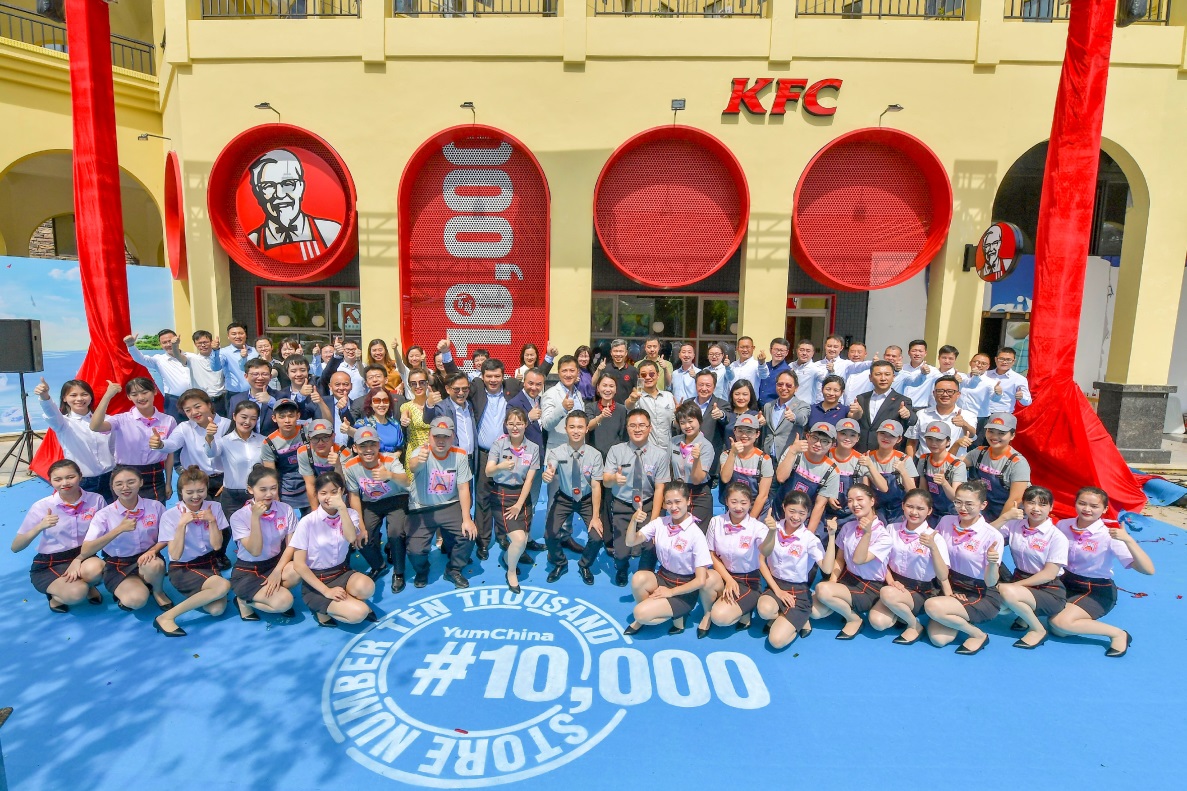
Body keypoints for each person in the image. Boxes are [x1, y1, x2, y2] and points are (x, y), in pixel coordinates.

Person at [1049, 487, 1155, 657]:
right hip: (1065, 582)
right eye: (1082, 503)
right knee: (1058, 631)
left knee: (1059, 622)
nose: (1087, 509)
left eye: (1094, 506)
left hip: (1095, 590)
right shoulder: (1063, 525)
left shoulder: (1110, 535)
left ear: (1105, 509)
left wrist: (1128, 540)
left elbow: (1148, 570)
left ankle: (1118, 634)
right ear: (1075, 503)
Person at [11, 459, 106, 613]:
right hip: (51, 562)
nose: (65, 483)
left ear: (80, 476)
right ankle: (55, 597)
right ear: (50, 480)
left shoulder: (96, 500)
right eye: (58, 479)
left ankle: (88, 585)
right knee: (76, 593)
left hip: (84, 556)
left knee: (97, 568)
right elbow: (16, 547)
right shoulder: (42, 506)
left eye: (70, 477)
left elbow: (106, 532)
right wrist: (40, 526)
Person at [924, 481, 1005, 655]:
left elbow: (991, 582)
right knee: (939, 639)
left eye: (969, 504)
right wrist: (948, 592)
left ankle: (978, 635)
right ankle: (958, 612)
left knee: (932, 606)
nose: (962, 508)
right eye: (958, 502)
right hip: (949, 584)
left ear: (983, 505)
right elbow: (939, 559)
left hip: (979, 592)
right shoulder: (946, 521)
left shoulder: (992, 535)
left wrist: (992, 563)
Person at [79, 466, 173, 612]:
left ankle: (158, 591)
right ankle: (132, 587)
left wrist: (153, 550)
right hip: (118, 563)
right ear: (112, 487)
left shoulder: (155, 506)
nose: (125, 487)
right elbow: (86, 550)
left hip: (148, 558)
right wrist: (118, 529)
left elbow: (168, 535)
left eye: (131, 482)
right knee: (136, 601)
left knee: (155, 565)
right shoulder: (104, 515)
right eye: (119, 484)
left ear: (141, 482)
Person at [622, 482, 711, 637]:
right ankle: (656, 611)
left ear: (688, 501)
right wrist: (634, 521)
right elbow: (630, 542)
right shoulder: (660, 523)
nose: (673, 507)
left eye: (678, 502)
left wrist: (670, 592)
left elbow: (700, 581)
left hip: (685, 588)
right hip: (663, 578)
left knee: (640, 613)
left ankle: (672, 613)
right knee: (638, 578)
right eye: (669, 502)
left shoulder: (696, 535)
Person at [291, 471, 376, 627]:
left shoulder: (350, 514)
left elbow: (351, 538)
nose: (329, 497)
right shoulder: (307, 522)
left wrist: (342, 508)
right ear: (316, 494)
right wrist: (326, 591)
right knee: (359, 614)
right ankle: (320, 609)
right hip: (317, 580)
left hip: (341, 572)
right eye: (323, 493)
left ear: (342, 491)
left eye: (334, 492)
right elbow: (299, 565)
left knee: (367, 587)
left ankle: (345, 600)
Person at [867, 488, 951, 646]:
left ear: (929, 511)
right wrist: (891, 581)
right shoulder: (891, 529)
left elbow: (943, 575)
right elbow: (882, 560)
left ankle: (914, 625)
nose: (914, 512)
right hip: (894, 584)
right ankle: (901, 613)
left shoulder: (935, 538)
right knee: (878, 622)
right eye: (910, 506)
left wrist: (933, 548)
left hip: (920, 589)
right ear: (903, 506)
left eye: (920, 508)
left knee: (887, 594)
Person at [154, 466, 231, 637]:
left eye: (200, 491)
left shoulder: (215, 507)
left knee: (217, 609)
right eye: (189, 492)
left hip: (208, 562)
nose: (196, 496)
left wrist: (212, 521)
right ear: (181, 492)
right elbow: (175, 555)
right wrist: (181, 525)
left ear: (206, 489)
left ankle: (204, 594)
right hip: (183, 568)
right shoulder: (170, 515)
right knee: (223, 586)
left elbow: (217, 546)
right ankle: (166, 617)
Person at [599, 409, 671, 586]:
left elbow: (660, 488)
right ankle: (621, 568)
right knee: (621, 551)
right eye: (632, 425)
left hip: (647, 504)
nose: (637, 429)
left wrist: (654, 521)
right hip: (622, 504)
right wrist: (614, 479)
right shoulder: (616, 451)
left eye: (642, 425)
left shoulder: (660, 454)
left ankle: (645, 574)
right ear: (627, 428)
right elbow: (606, 481)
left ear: (649, 428)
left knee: (650, 544)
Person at [406, 415, 478, 589]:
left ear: (453, 437)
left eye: (445, 436)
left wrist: (467, 518)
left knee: (469, 534)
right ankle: (422, 570)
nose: (440, 440)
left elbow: (463, 488)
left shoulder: (460, 455)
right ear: (429, 436)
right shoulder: (421, 452)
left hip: (449, 504)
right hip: (421, 507)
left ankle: (453, 569)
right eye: (436, 436)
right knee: (415, 551)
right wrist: (419, 460)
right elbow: (413, 466)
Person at [992, 485, 1069, 649]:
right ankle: (1024, 613)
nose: (1036, 509)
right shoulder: (1015, 525)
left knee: (1005, 593)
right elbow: (982, 535)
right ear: (1023, 504)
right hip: (1020, 579)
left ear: (1051, 507)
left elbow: (1049, 574)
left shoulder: (1057, 537)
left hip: (1048, 589)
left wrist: (1013, 586)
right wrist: (1005, 517)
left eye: (1042, 504)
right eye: (1031, 503)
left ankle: (1038, 629)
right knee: (996, 602)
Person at [810, 484, 890, 639]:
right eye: (850, 500)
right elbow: (840, 559)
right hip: (847, 579)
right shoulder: (848, 527)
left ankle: (854, 619)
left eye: (860, 499)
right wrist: (832, 582)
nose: (855, 504)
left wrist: (867, 534)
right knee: (814, 611)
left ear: (872, 501)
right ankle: (843, 604)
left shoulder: (883, 536)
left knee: (822, 590)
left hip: (868, 586)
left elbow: (859, 560)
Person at [228, 465, 300, 621]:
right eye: (263, 489)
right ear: (250, 489)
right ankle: (244, 600)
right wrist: (255, 518)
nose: (269, 494)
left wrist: (277, 571)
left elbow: (291, 546)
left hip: (274, 564)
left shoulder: (286, 509)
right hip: (248, 570)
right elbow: (255, 551)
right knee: (285, 603)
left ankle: (270, 594)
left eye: (273, 488)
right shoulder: (239, 517)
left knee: (297, 568)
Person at [756, 490, 825, 648]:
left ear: (808, 514)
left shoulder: (809, 538)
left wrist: (833, 535)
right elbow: (761, 561)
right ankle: (783, 616)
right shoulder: (772, 528)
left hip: (798, 590)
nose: (796, 517)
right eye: (792, 511)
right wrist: (778, 591)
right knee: (764, 611)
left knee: (776, 642)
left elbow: (825, 567)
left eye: (802, 513)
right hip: (775, 586)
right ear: (784, 507)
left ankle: (800, 619)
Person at [699, 482, 769, 637]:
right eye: (734, 502)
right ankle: (707, 613)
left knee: (720, 618)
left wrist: (772, 533)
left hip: (747, 580)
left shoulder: (758, 527)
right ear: (726, 501)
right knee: (706, 577)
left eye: (743, 503)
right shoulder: (716, 522)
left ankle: (744, 609)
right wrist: (729, 580)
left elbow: (766, 550)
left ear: (750, 503)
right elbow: (711, 554)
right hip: (723, 574)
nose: (738, 507)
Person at [90, 378, 177, 502]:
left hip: (154, 475)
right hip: (124, 475)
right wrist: (107, 396)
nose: (140, 397)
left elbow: (170, 454)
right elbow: (95, 426)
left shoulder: (168, 420)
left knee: (156, 512)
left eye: (144, 392)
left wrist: (168, 482)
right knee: (125, 513)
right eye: (134, 394)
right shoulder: (120, 420)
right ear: (129, 397)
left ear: (154, 391)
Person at [543, 411, 604, 585]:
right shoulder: (556, 452)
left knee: (596, 536)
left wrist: (596, 517)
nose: (576, 431)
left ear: (586, 429)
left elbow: (596, 486)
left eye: (579, 427)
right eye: (572, 427)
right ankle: (560, 563)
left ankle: (584, 565)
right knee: (550, 534)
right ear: (565, 429)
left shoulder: (595, 455)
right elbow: (550, 468)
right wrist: (548, 474)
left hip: (586, 500)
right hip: (564, 498)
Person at [344, 426, 410, 586]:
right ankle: (378, 565)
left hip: (396, 499)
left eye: (372, 444)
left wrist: (389, 475)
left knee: (396, 533)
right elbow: (354, 495)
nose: (368, 450)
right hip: (371, 503)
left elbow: (407, 481)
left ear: (378, 445)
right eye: (363, 446)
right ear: (355, 448)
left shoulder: (390, 460)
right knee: (361, 535)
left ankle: (399, 572)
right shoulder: (350, 466)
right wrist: (360, 525)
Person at [246, 148, 342, 258]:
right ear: (257, 193)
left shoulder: (330, 231)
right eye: (268, 186)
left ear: (301, 187)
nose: (280, 194)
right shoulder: (252, 242)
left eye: (288, 183)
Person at [485, 407, 541, 591]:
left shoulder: (533, 448)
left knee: (523, 540)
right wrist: (500, 467)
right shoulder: (498, 444)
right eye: (511, 424)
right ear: (505, 425)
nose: (515, 427)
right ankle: (511, 572)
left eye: (519, 423)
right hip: (501, 495)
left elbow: (529, 480)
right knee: (518, 540)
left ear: (526, 425)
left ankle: (508, 557)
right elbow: (488, 471)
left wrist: (519, 504)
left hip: (522, 497)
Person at [34, 377, 115, 502]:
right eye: (73, 395)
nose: (79, 399)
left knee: (114, 513)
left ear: (91, 397)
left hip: (111, 479)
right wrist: (45, 397)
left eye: (84, 394)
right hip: (83, 482)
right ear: (64, 399)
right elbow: (51, 413)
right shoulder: (63, 423)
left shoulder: (108, 420)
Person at [151, 389, 230, 497]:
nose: (194, 412)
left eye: (197, 407)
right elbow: (173, 444)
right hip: (193, 480)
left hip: (223, 480)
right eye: (188, 410)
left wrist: (229, 481)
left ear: (209, 404)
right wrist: (160, 444)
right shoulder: (184, 427)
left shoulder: (227, 425)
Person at [964, 412, 1031, 523]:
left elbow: (1015, 499)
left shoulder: (1018, 463)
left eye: (1001, 433)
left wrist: (996, 525)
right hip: (987, 512)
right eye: (991, 431)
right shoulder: (979, 453)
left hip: (1011, 518)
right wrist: (956, 445)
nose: (995, 437)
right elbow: (951, 464)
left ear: (1012, 435)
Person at [772, 422, 838, 534]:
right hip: (778, 511)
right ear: (807, 436)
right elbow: (781, 478)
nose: (818, 444)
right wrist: (793, 451)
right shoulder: (794, 451)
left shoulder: (832, 471)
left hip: (803, 520)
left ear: (833, 445)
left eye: (825, 441)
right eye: (814, 438)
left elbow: (819, 506)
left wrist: (807, 535)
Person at [206, 400, 264, 517]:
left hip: (257, 494)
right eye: (244, 417)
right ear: (234, 416)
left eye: (253, 418)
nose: (247, 422)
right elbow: (211, 453)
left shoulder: (263, 440)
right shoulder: (224, 441)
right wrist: (209, 437)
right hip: (232, 497)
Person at [849, 360, 916, 452]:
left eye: (887, 374)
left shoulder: (902, 400)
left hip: (887, 453)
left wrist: (908, 415)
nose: (883, 378)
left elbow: (913, 420)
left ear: (893, 377)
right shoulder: (861, 398)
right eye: (878, 374)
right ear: (870, 377)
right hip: (860, 450)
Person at [905, 376, 977, 459]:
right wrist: (910, 464)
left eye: (950, 391)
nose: (945, 394)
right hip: (923, 463)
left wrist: (964, 424)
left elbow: (972, 435)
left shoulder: (968, 415)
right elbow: (912, 442)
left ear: (958, 394)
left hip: (954, 463)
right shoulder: (921, 414)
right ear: (934, 393)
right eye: (940, 391)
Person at [125, 331, 190, 421]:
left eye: (170, 341)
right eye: (164, 342)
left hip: (196, 397)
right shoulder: (159, 360)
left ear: (177, 340)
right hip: (174, 401)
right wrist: (131, 345)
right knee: (175, 427)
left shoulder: (191, 357)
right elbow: (140, 359)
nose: (168, 344)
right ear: (160, 345)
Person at [718, 414, 773, 519]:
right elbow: (725, 478)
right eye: (740, 431)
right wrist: (733, 453)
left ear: (757, 434)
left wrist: (750, 521)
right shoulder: (726, 455)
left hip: (756, 509)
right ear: (734, 432)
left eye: (749, 431)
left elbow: (763, 495)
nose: (744, 435)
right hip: (734, 506)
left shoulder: (764, 460)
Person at [259, 400, 310, 513]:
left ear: (298, 416)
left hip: (309, 486)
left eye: (291, 416)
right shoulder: (269, 443)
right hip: (285, 492)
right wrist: (275, 496)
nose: (287, 421)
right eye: (282, 417)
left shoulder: (307, 431)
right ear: (274, 418)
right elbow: (271, 474)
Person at [862, 421, 917, 525]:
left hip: (899, 510)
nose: (886, 438)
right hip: (876, 509)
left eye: (892, 435)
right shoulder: (867, 457)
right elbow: (865, 491)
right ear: (877, 434)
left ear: (899, 439)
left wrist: (903, 472)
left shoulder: (904, 459)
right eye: (883, 433)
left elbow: (912, 492)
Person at [670, 401, 715, 527]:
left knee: (697, 533)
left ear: (699, 421)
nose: (687, 426)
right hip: (678, 492)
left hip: (698, 494)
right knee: (678, 532)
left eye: (690, 421)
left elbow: (697, 479)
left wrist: (697, 459)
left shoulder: (706, 446)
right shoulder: (674, 442)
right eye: (682, 422)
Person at [168, 330, 227, 416]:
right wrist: (175, 345)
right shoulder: (192, 359)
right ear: (195, 344)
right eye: (199, 343)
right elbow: (178, 355)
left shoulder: (221, 358)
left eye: (205, 342)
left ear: (211, 342)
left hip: (220, 400)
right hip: (201, 401)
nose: (203, 345)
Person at [916, 421, 966, 524]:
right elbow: (923, 490)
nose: (933, 443)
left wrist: (944, 483)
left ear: (948, 442)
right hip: (931, 512)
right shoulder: (923, 459)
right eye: (929, 439)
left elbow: (956, 498)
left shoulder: (957, 464)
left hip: (952, 513)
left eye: (939, 440)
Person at [825, 417, 868, 523]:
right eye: (843, 433)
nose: (847, 438)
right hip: (824, 509)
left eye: (852, 435)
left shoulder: (861, 460)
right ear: (836, 434)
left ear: (858, 438)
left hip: (851, 514)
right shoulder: (826, 454)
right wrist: (827, 496)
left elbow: (865, 492)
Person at [298, 418, 345, 514]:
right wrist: (316, 513)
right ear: (309, 438)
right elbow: (310, 484)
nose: (320, 442)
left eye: (325, 437)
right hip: (318, 493)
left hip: (341, 494)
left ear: (333, 436)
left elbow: (343, 485)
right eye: (315, 438)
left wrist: (338, 466)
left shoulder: (344, 453)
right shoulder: (303, 452)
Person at [761, 370, 809, 462]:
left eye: (788, 385)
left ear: (796, 388)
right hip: (767, 457)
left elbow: (803, 419)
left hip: (788, 458)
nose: (783, 388)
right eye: (780, 384)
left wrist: (794, 417)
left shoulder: (802, 405)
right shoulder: (768, 406)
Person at [631, 359, 676, 449]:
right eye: (644, 375)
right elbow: (629, 406)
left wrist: (679, 414)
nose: (648, 377)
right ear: (639, 377)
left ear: (658, 375)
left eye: (651, 374)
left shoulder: (668, 396)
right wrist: (631, 400)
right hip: (645, 450)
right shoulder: (637, 398)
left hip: (667, 449)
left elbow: (674, 424)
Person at [354, 387, 404, 454]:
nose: (381, 404)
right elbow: (356, 435)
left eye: (385, 400)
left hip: (393, 460)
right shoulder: (363, 424)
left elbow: (400, 447)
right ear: (371, 404)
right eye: (377, 401)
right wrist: (348, 430)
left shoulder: (395, 424)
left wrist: (396, 455)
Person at [893, 340, 937, 409]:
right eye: (914, 351)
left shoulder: (933, 371)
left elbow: (947, 381)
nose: (917, 354)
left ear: (925, 353)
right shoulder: (901, 368)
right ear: (908, 352)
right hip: (901, 407)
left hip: (920, 408)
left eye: (920, 351)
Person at [985, 347, 1032, 414]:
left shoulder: (1019, 379)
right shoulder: (986, 374)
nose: (1004, 362)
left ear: (1014, 361)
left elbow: (1028, 402)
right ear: (996, 359)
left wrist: (1022, 397)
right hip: (981, 412)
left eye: (1008, 360)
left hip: (1002, 414)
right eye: (1001, 359)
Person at [219, 322, 257, 403]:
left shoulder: (254, 351)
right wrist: (215, 351)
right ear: (228, 336)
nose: (238, 336)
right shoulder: (223, 352)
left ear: (246, 335)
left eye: (241, 333)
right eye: (234, 334)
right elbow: (216, 367)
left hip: (255, 392)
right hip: (234, 393)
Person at [399, 369, 433, 452]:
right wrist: (404, 419)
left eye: (422, 382)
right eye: (413, 384)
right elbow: (405, 413)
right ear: (409, 386)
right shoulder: (406, 406)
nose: (418, 386)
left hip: (435, 451)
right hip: (415, 452)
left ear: (427, 383)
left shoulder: (436, 404)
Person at [599, 339, 639, 403]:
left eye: (621, 351)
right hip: (608, 406)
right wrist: (598, 370)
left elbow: (636, 390)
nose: (618, 354)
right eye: (615, 351)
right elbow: (595, 385)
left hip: (627, 407)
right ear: (611, 352)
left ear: (626, 353)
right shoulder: (605, 369)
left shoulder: (633, 370)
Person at [757, 338, 792, 406]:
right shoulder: (764, 366)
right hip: (757, 406)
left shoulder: (787, 372)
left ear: (787, 352)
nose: (778, 353)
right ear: (770, 350)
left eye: (782, 350)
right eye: (776, 349)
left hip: (773, 407)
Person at [789, 340, 824, 408]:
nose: (804, 353)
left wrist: (831, 372)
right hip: (790, 405)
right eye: (801, 350)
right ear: (797, 351)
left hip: (805, 406)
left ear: (813, 353)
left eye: (808, 351)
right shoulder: (790, 366)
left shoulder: (815, 369)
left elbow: (826, 381)